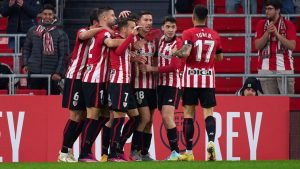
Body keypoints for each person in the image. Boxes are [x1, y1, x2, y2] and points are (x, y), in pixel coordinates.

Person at [58, 8, 112, 163]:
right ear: (96, 21)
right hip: (75, 77)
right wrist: (101, 28)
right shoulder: (85, 31)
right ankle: (63, 151)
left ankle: (70, 150)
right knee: (75, 115)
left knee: (84, 116)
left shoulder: (103, 34)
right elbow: (82, 36)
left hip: (87, 79)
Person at [172, 5, 223, 161]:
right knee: (208, 113)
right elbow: (219, 58)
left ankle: (189, 151)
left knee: (188, 115)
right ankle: (211, 142)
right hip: (208, 79)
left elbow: (185, 53)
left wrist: (175, 52)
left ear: (193, 17)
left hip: (190, 80)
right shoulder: (215, 35)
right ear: (206, 18)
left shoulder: (188, 33)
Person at [79, 6, 123, 162]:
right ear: (104, 18)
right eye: (112, 15)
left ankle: (90, 149)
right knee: (93, 115)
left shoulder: (103, 30)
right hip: (95, 79)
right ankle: (84, 153)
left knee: (104, 115)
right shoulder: (104, 32)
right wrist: (128, 41)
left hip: (100, 80)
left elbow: (118, 30)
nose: (115, 17)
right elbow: (110, 43)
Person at [140, 16, 183, 161]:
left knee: (166, 117)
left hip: (173, 84)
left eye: (173, 27)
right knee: (153, 119)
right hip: (160, 86)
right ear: (163, 28)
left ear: (176, 29)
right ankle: (145, 152)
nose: (170, 30)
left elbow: (174, 66)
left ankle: (176, 152)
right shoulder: (161, 42)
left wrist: (151, 68)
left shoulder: (178, 43)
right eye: (168, 27)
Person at [105, 17, 142, 162]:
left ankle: (119, 146)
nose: (134, 30)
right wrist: (132, 37)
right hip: (118, 83)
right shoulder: (116, 38)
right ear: (125, 28)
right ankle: (113, 154)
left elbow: (123, 55)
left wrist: (134, 58)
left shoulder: (126, 40)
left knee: (135, 117)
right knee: (119, 118)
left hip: (125, 84)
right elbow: (119, 52)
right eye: (132, 27)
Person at [129, 10, 159, 161]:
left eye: (150, 20)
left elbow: (156, 61)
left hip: (152, 85)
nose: (149, 23)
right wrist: (134, 60)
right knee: (144, 118)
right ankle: (134, 151)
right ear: (138, 22)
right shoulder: (131, 38)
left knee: (150, 121)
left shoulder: (153, 41)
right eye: (146, 20)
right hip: (137, 85)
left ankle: (145, 152)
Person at [22, 4, 69, 95]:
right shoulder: (32, 31)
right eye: (45, 14)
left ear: (54, 15)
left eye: (50, 14)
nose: (47, 16)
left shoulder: (61, 33)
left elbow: (64, 55)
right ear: (41, 15)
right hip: (34, 72)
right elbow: (26, 49)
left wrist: (58, 73)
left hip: (52, 75)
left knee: (51, 103)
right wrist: (25, 64)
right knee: (32, 102)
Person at [255, 0, 296, 94]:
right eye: (266, 9)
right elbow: (257, 46)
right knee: (270, 105)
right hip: (265, 69)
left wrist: (277, 35)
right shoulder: (261, 24)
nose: (267, 11)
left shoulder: (288, 24)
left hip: (285, 69)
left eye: (270, 9)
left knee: (286, 102)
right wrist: (267, 33)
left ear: (277, 10)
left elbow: (292, 46)